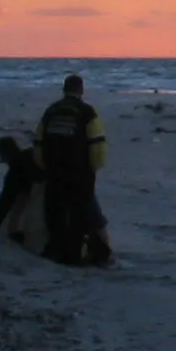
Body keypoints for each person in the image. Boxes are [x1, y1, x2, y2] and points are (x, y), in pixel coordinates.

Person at [35, 74, 112, 266]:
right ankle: (75, 255)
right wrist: (94, 168)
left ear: (64, 89)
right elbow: (98, 145)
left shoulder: (51, 111)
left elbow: (38, 141)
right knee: (80, 215)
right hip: (80, 174)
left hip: (54, 172)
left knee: (55, 214)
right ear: (81, 90)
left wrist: (44, 165)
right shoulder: (87, 113)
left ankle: (55, 250)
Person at [0, 137, 40, 241]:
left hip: (41, 192)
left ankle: (14, 233)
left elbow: (4, 201)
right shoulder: (30, 154)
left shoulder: (15, 172)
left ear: (5, 156)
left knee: (18, 198)